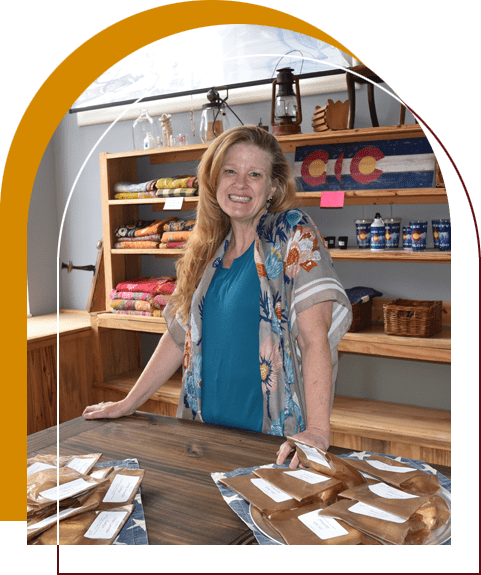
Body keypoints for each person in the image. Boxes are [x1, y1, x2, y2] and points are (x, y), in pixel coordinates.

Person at [83, 125, 352, 468]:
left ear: (271, 187)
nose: (240, 184)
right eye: (230, 171)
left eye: (254, 174)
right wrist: (128, 403)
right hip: (203, 439)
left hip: (271, 446)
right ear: (214, 180)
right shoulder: (207, 250)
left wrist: (316, 431)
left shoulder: (291, 235)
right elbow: (178, 336)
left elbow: (316, 339)